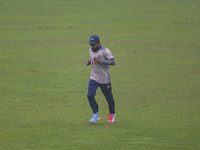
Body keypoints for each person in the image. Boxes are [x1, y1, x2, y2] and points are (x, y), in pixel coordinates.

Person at [86, 35, 116, 123]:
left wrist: (101, 61)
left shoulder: (105, 51)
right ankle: (96, 114)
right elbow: (92, 58)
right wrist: (89, 61)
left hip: (104, 79)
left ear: (98, 43)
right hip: (94, 77)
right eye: (90, 44)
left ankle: (112, 114)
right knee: (90, 95)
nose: (91, 46)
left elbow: (113, 62)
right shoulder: (90, 50)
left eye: (93, 44)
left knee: (108, 98)